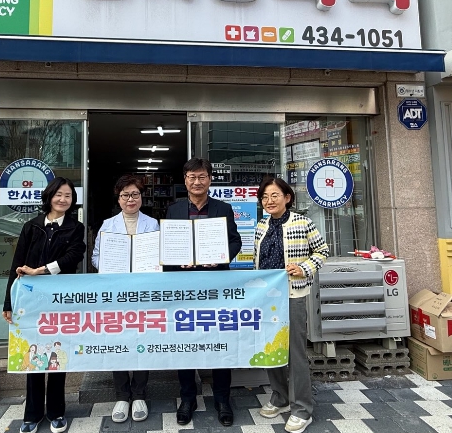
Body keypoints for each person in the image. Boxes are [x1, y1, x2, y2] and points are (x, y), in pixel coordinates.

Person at [2, 177, 86, 433]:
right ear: (49, 197)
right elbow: (17, 264)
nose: (63, 199)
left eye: (68, 196)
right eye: (59, 194)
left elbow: (73, 257)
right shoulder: (32, 226)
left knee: (57, 354)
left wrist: (40, 270)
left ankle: (57, 412)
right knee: (33, 354)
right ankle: (32, 414)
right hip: (31, 302)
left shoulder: (75, 227)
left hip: (60, 300)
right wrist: (9, 302)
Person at [164, 158, 242, 427]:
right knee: (185, 342)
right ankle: (188, 398)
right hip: (184, 288)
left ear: (210, 179)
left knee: (219, 340)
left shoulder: (223, 208)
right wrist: (177, 261)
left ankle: (222, 399)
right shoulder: (174, 210)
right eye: (192, 177)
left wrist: (220, 258)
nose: (197, 182)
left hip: (215, 286)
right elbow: (168, 245)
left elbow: (235, 241)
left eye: (202, 177)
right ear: (185, 180)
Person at [254, 177, 329, 433]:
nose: (269, 201)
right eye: (265, 197)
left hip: (293, 295)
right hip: (267, 297)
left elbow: (322, 251)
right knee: (271, 348)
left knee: (295, 353)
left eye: (274, 195)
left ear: (287, 197)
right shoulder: (261, 225)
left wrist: (304, 268)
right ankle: (280, 397)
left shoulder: (303, 222)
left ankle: (302, 409)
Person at [92, 174, 159, 423]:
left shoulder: (152, 224)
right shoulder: (107, 225)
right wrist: (111, 266)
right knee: (118, 340)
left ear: (141, 197)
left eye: (135, 194)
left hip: (143, 291)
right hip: (117, 292)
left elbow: (159, 255)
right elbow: (96, 257)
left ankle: (139, 393)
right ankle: (122, 394)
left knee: (143, 339)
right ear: (118, 198)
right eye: (125, 195)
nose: (130, 199)